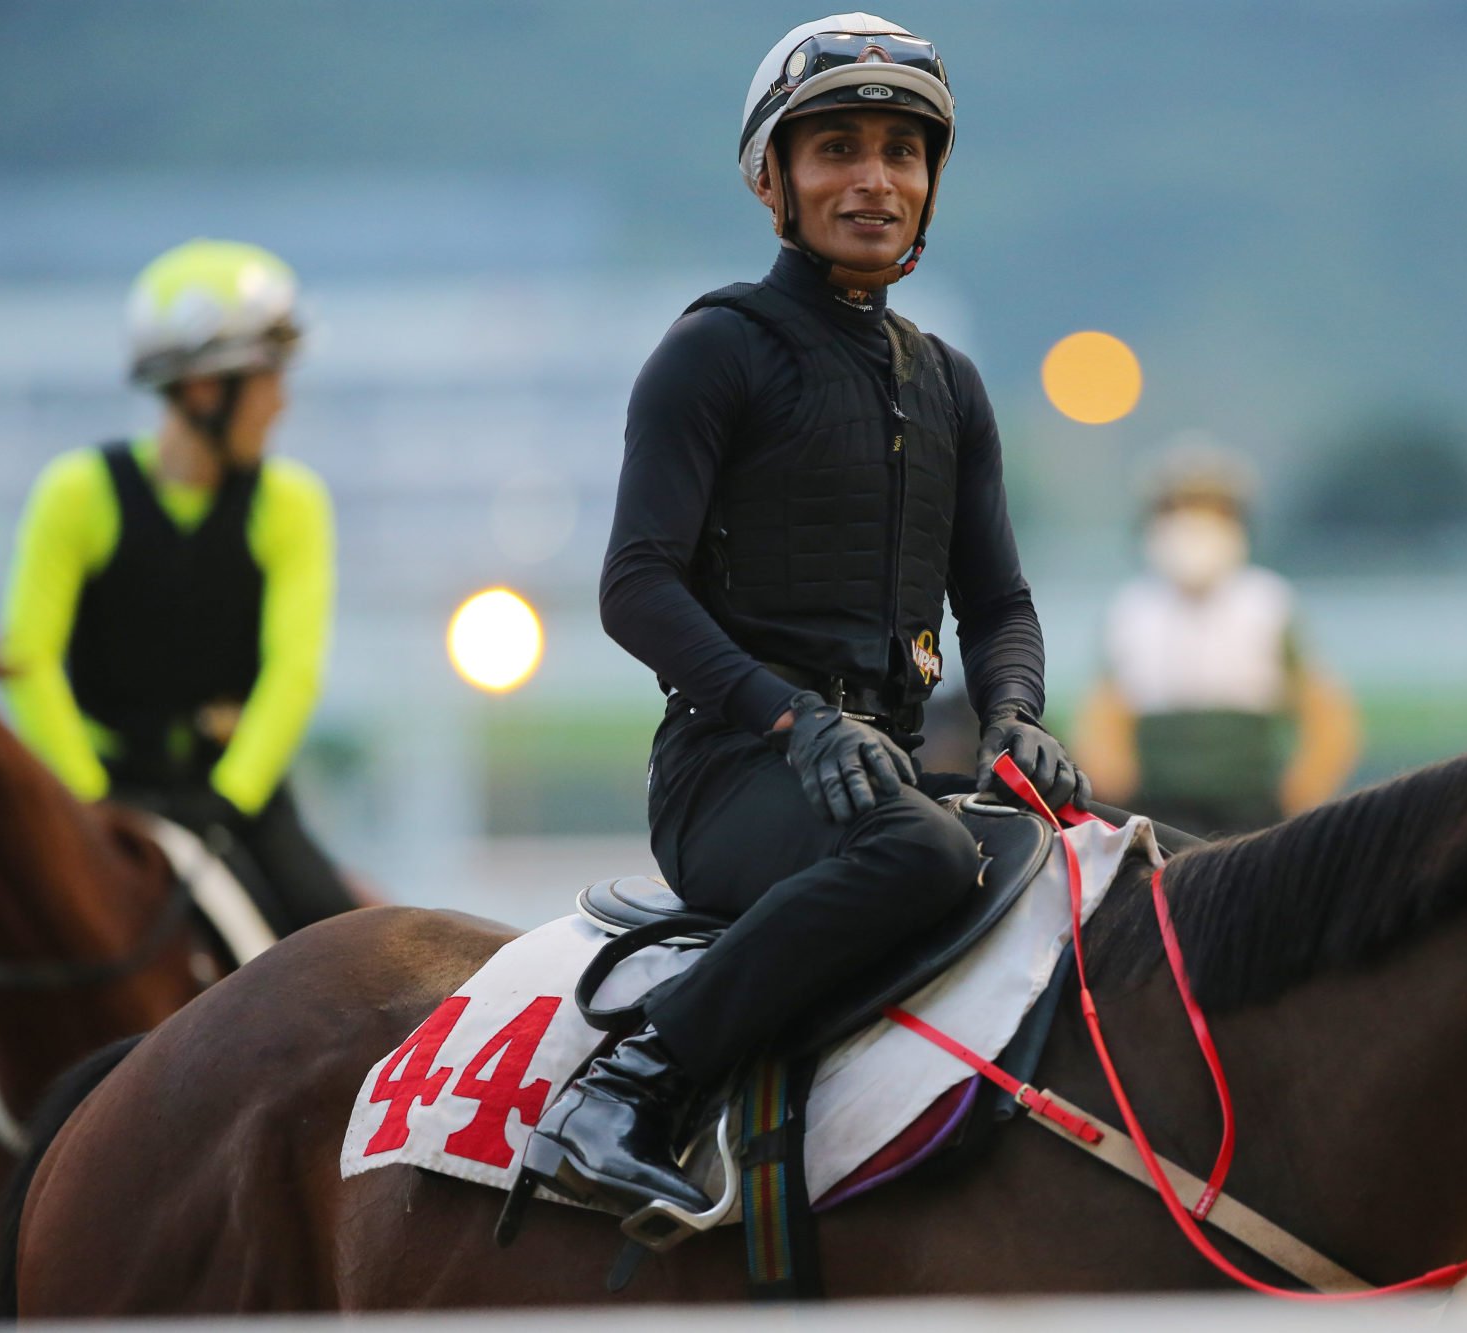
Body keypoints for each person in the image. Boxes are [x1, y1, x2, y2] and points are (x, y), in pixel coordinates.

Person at [523, 14, 1091, 1224]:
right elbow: (636, 586)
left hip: (882, 764)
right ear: (770, 177)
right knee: (925, 851)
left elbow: (998, 602)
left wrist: (1012, 716)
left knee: (1084, 859)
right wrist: (793, 721)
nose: (873, 180)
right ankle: (629, 1088)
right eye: (835, 148)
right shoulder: (714, 349)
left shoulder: (951, 383)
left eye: (901, 151)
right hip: (733, 772)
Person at [0, 238, 358, 938]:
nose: (281, 402)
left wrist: (229, 798)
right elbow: (28, 660)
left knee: (347, 952)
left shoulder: (292, 503)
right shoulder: (76, 494)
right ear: (203, 389)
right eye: (268, 378)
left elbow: (294, 673)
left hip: (236, 801)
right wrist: (91, 801)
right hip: (101, 791)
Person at [1076, 444, 1362, 838]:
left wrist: (1300, 794)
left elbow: (1324, 711)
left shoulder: (1268, 604)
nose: (1192, 526)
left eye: (1212, 511)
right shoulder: (1132, 611)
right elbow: (1104, 716)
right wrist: (1115, 789)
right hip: (1156, 816)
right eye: (1174, 511)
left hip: (1252, 814)